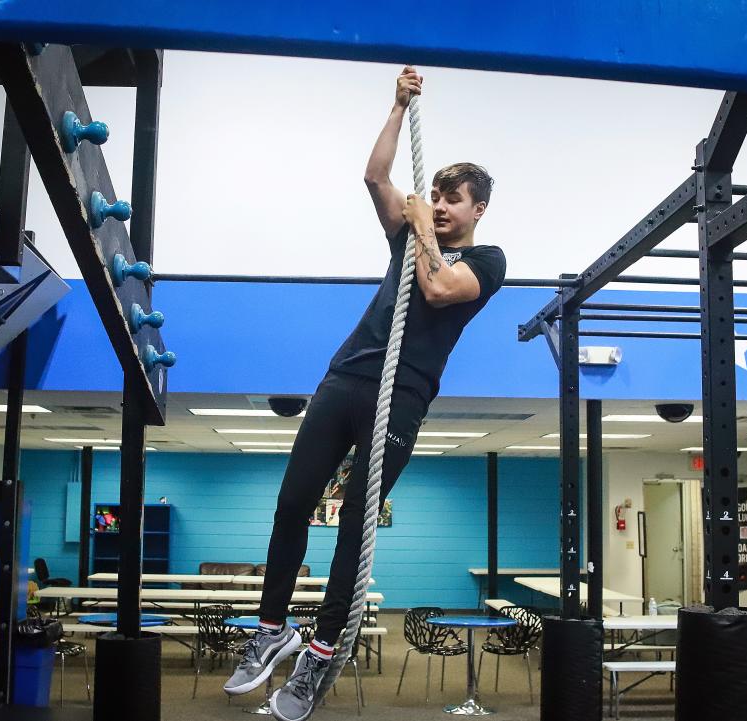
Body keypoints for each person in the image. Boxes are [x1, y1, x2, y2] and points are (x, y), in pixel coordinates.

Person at [224, 66, 507, 721]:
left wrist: (423, 230)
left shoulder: (486, 261)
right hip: (346, 376)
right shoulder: (410, 236)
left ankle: (320, 653)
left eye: (453, 198)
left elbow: (439, 289)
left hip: (400, 395)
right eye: (435, 194)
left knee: (356, 520)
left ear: (477, 209)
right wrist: (395, 106)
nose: (438, 204)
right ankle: (272, 630)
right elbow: (376, 177)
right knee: (291, 502)